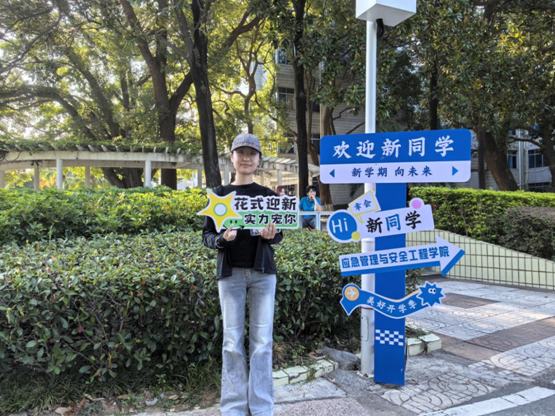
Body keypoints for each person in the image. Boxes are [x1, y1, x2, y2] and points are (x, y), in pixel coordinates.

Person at [202, 133, 283, 416]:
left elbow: (279, 234)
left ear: (259, 160)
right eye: (241, 153)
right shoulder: (219, 194)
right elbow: (207, 235)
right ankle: (234, 407)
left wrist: (271, 235)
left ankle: (261, 407)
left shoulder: (268, 196)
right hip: (230, 275)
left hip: (263, 275)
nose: (246, 158)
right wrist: (222, 239)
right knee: (232, 342)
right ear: (232, 157)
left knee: (262, 342)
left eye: (252, 153)